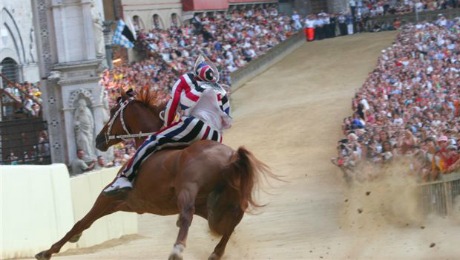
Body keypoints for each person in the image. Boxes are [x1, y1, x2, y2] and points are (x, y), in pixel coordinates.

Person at [103, 55, 232, 195]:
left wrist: (166, 126)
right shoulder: (221, 91)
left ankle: (125, 178)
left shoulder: (193, 85)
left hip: (196, 125)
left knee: (154, 140)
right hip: (216, 136)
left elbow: (180, 104)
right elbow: (227, 120)